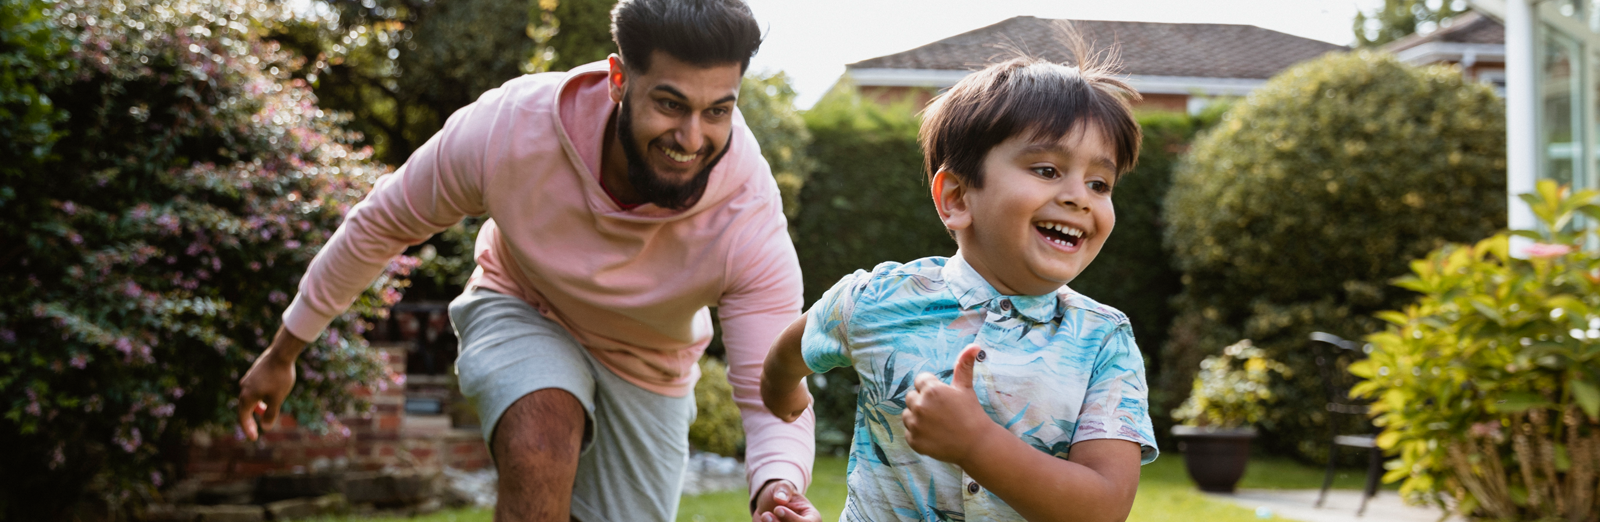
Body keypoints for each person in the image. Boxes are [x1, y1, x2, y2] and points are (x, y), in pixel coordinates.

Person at [233, 1, 823, 520]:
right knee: (541, 439)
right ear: (619, 78)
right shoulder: (510, 129)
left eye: (717, 111)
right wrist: (286, 350)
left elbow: (771, 384)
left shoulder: (747, 214)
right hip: (521, 303)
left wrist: (779, 486)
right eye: (670, 104)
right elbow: (382, 223)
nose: (692, 138)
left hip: (652, 362)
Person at [759, 55, 1159, 522]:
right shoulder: (879, 299)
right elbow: (789, 352)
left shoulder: (1103, 341)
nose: (1079, 197)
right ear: (957, 198)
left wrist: (977, 443)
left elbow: (1105, 507)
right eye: (1048, 170)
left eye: (1100, 183)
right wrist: (784, 394)